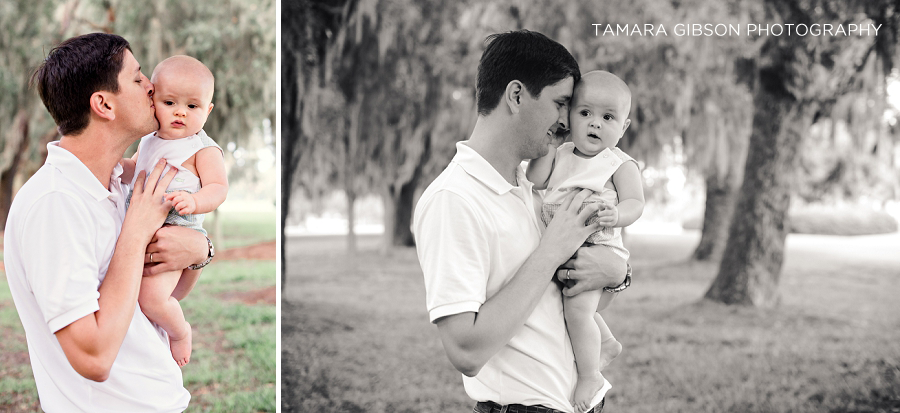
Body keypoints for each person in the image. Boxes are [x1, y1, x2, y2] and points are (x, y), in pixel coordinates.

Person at [412, 30, 631, 413]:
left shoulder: (534, 186)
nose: (568, 122)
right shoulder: (455, 199)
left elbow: (561, 294)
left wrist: (617, 271)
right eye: (561, 103)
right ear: (516, 96)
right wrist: (551, 252)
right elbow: (465, 349)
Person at [4, 33, 212, 412]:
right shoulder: (56, 203)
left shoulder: (119, 183)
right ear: (103, 104)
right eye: (137, 78)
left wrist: (200, 250)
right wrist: (135, 229)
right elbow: (94, 358)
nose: (152, 86)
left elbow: (161, 296)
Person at [526, 70, 644, 412]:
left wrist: (617, 215)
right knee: (569, 305)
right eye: (585, 113)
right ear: (569, 118)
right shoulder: (561, 154)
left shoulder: (618, 163)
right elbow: (536, 178)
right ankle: (605, 341)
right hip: (563, 245)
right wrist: (551, 143)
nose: (595, 124)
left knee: (577, 310)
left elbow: (635, 203)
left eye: (608, 117)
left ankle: (590, 374)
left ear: (623, 128)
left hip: (597, 246)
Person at [121, 55, 228, 367]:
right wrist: (116, 166)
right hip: (144, 231)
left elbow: (218, 188)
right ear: (153, 100)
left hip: (178, 231)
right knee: (139, 293)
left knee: (151, 298)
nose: (181, 112)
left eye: (192, 107)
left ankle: (180, 331)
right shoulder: (148, 141)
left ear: (207, 110)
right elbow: (134, 169)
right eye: (170, 102)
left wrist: (194, 202)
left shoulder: (202, 149)